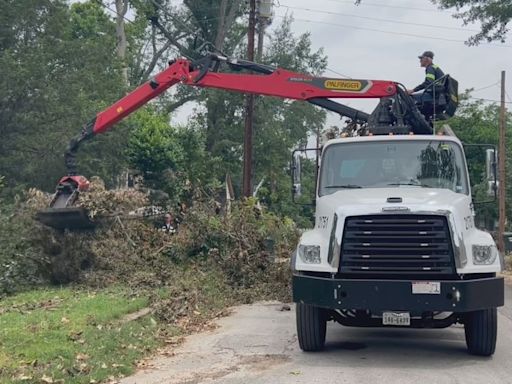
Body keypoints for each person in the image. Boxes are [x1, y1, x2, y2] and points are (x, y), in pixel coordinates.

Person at [407, 51, 445, 119]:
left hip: (434, 96)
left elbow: (428, 82)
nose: (420, 61)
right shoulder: (434, 67)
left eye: (421, 58)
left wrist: (412, 90)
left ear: (427, 59)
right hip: (438, 95)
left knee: (411, 98)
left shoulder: (430, 68)